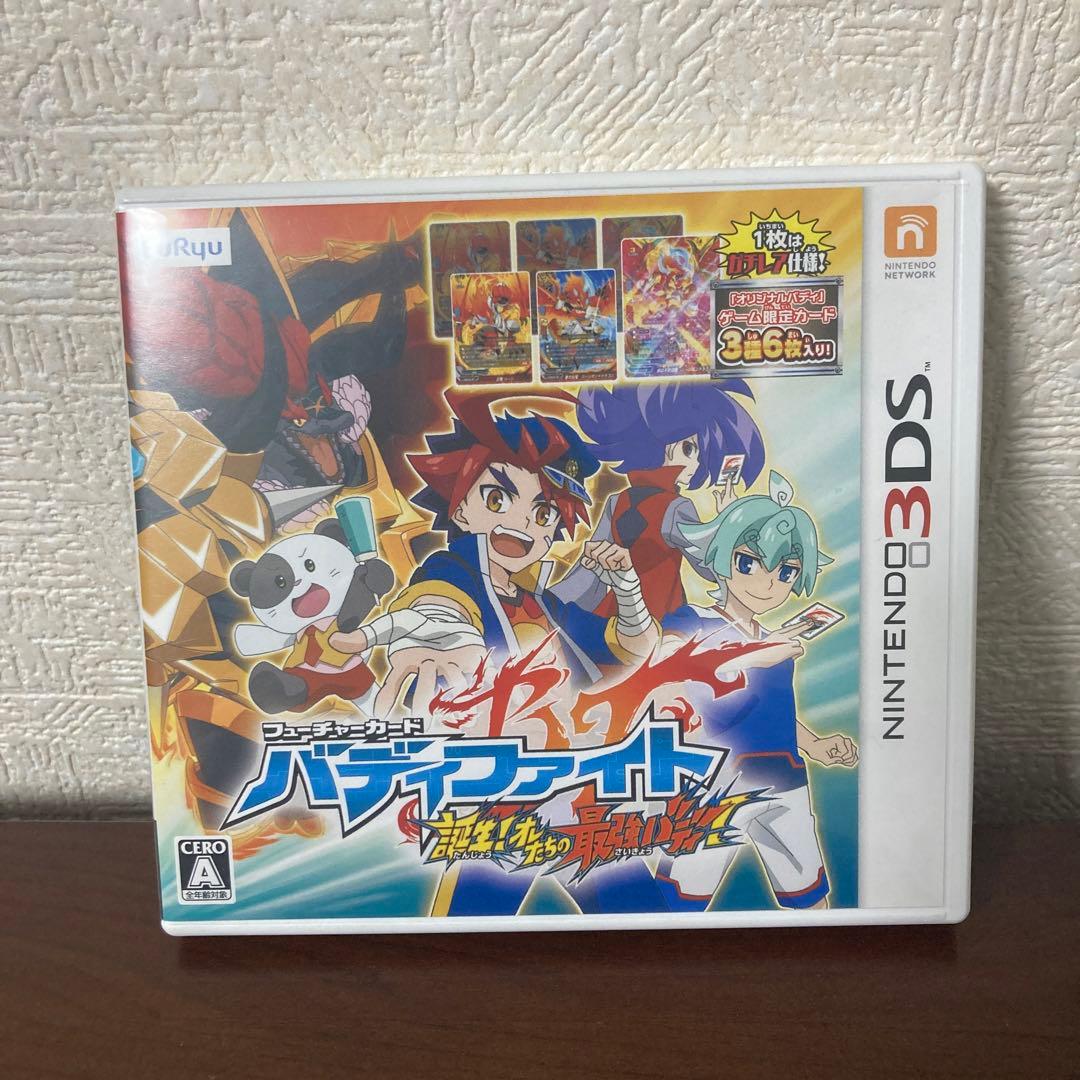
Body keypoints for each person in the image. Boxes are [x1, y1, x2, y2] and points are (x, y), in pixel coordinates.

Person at [655, 471, 857, 912]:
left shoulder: (774, 640)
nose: (768, 583)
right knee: (676, 905)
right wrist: (752, 656)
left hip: (782, 778)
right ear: (721, 557)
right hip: (710, 782)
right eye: (749, 563)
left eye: (786, 572)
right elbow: (666, 670)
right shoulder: (692, 620)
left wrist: (816, 745)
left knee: (812, 902)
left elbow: (773, 711)